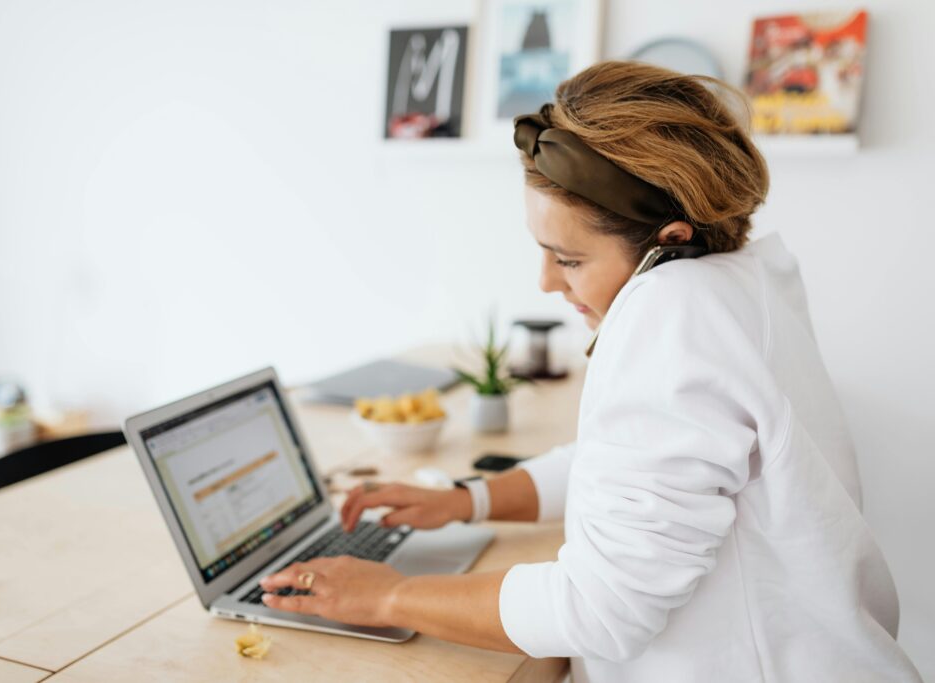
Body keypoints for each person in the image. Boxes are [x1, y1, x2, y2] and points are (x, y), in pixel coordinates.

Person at [259, 61, 921, 682]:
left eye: (567, 259)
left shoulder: (672, 314)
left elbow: (598, 609)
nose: (546, 281)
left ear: (669, 241)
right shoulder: (736, 284)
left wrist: (388, 595)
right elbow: (626, 461)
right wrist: (470, 499)